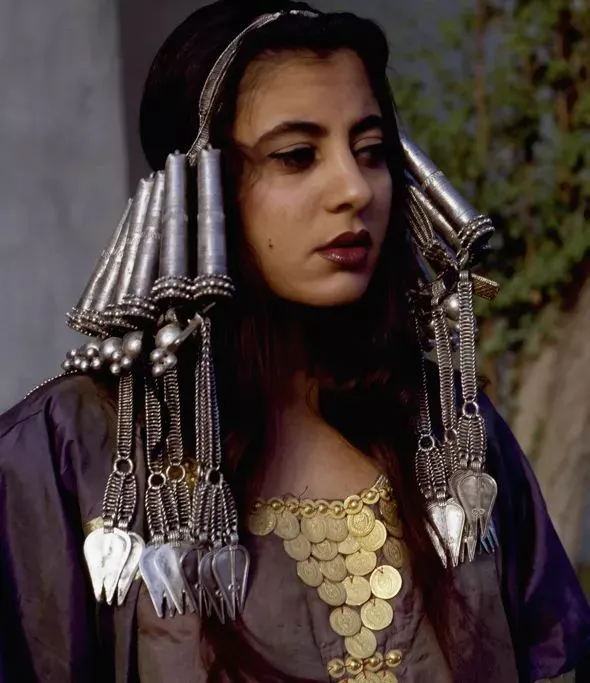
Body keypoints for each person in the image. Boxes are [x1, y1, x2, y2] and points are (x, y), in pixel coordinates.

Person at [0, 1, 588, 682]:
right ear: (198, 191)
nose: (354, 189)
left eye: (372, 152)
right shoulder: (69, 453)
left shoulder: (451, 430)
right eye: (297, 156)